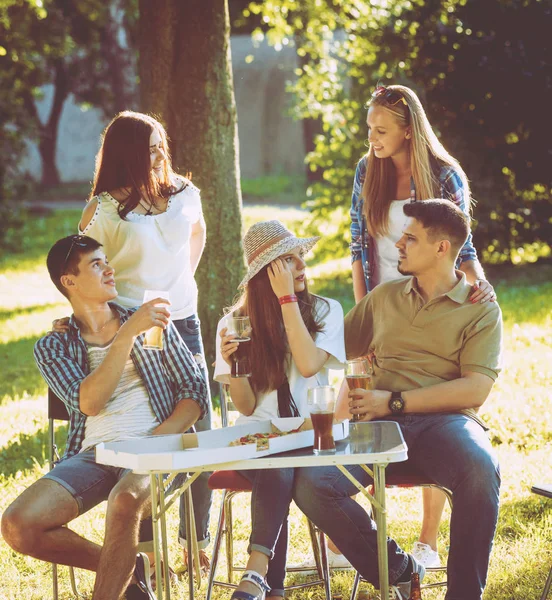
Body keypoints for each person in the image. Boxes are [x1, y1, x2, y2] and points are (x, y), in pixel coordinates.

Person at [292, 200, 502, 600]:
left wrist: (394, 401)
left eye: (411, 237)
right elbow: (324, 344)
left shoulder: (481, 309)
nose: (398, 245)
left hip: (446, 423)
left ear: (442, 248)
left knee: (481, 467)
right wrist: (289, 292)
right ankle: (400, 570)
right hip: (378, 428)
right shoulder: (384, 297)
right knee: (312, 482)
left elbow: (476, 389)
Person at [1, 235, 209, 600]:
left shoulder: (153, 322)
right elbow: (90, 403)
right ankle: (131, 566)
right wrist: (127, 335)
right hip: (94, 454)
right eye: (96, 264)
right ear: (70, 282)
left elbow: (195, 392)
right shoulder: (53, 346)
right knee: (18, 526)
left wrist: (160, 438)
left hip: (157, 448)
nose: (110, 268)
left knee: (126, 500)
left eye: (106, 260)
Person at [344, 83, 497, 569]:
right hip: (386, 301)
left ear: (409, 130)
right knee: (378, 406)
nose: (372, 137)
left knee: (435, 403)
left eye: (382, 129)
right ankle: (357, 540)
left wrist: (477, 288)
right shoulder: (367, 172)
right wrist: (367, 318)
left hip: (437, 293)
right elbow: (356, 249)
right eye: (369, 128)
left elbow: (461, 247)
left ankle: (428, 541)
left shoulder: (444, 175)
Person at [52, 110, 213, 572]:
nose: (159, 151)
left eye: (161, 141)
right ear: (126, 153)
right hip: (131, 329)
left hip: (182, 321)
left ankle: (194, 537)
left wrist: (181, 280)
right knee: (147, 426)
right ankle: (144, 547)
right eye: (148, 146)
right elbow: (79, 273)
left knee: (196, 425)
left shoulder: (186, 194)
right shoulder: (103, 210)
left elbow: (196, 235)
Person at [214, 220, 345, 600]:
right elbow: (246, 405)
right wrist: (235, 366)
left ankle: (262, 579)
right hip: (254, 437)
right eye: (287, 261)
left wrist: (287, 299)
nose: (300, 266)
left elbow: (307, 365)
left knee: (280, 461)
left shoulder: (325, 311)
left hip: (310, 435)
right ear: (264, 275)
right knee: (275, 460)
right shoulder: (234, 322)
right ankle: (266, 583)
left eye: (300, 256)